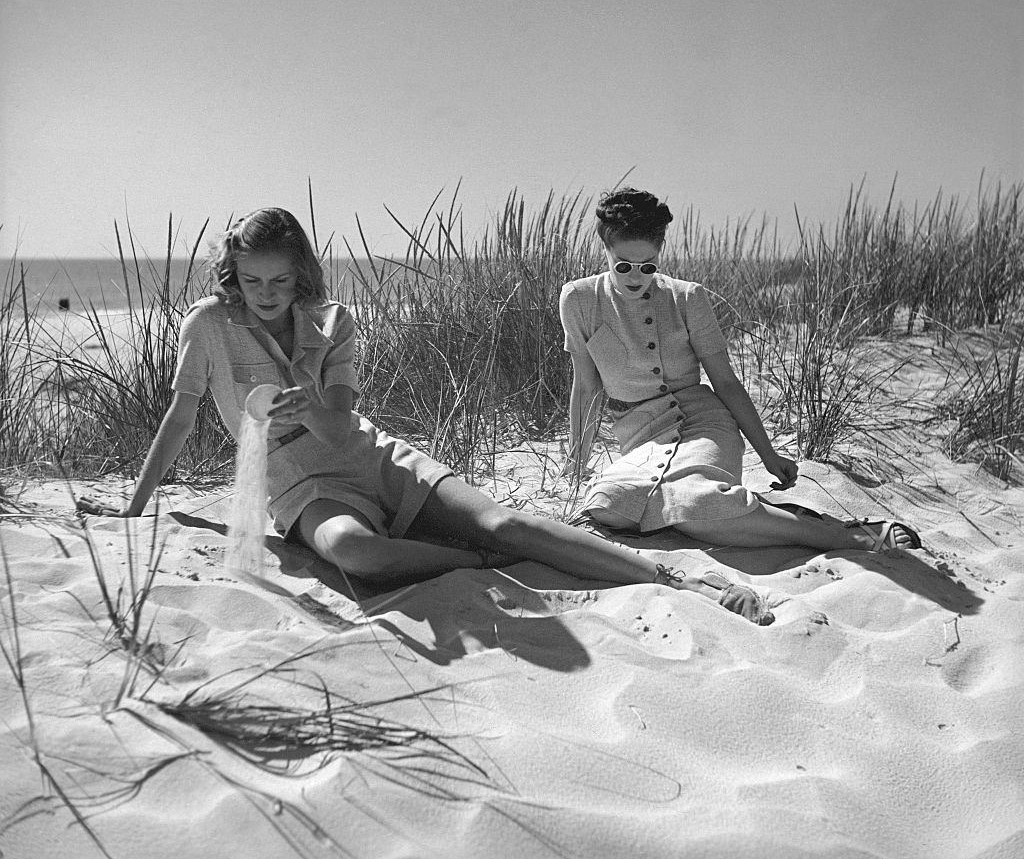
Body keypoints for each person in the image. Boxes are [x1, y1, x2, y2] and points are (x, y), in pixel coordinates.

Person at [76, 207, 778, 624]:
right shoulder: (207, 324)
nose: (267, 293)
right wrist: (136, 508)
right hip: (302, 485)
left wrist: (306, 392)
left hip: (370, 454)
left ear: (302, 275)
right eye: (252, 280)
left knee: (511, 520)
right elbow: (179, 414)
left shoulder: (330, 321)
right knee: (360, 553)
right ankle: (486, 559)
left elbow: (342, 422)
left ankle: (677, 581)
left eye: (281, 280)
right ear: (232, 273)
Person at [559, 188, 922, 554]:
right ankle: (758, 512)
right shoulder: (579, 300)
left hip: (703, 422)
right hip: (640, 432)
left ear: (659, 254)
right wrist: (576, 463)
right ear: (605, 249)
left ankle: (839, 534)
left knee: (695, 506)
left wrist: (768, 455)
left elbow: (727, 383)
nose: (636, 276)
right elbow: (586, 389)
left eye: (648, 266)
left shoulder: (688, 297)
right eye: (623, 266)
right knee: (609, 505)